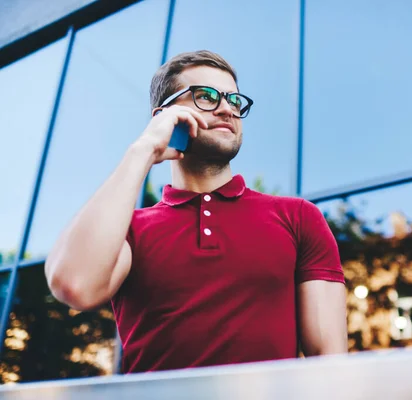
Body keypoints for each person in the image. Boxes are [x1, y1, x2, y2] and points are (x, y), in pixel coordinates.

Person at [45, 50, 348, 374]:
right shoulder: (128, 231)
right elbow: (74, 284)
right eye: (206, 96)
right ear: (164, 116)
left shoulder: (298, 217)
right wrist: (144, 149)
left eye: (234, 100)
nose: (227, 109)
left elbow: (329, 364)